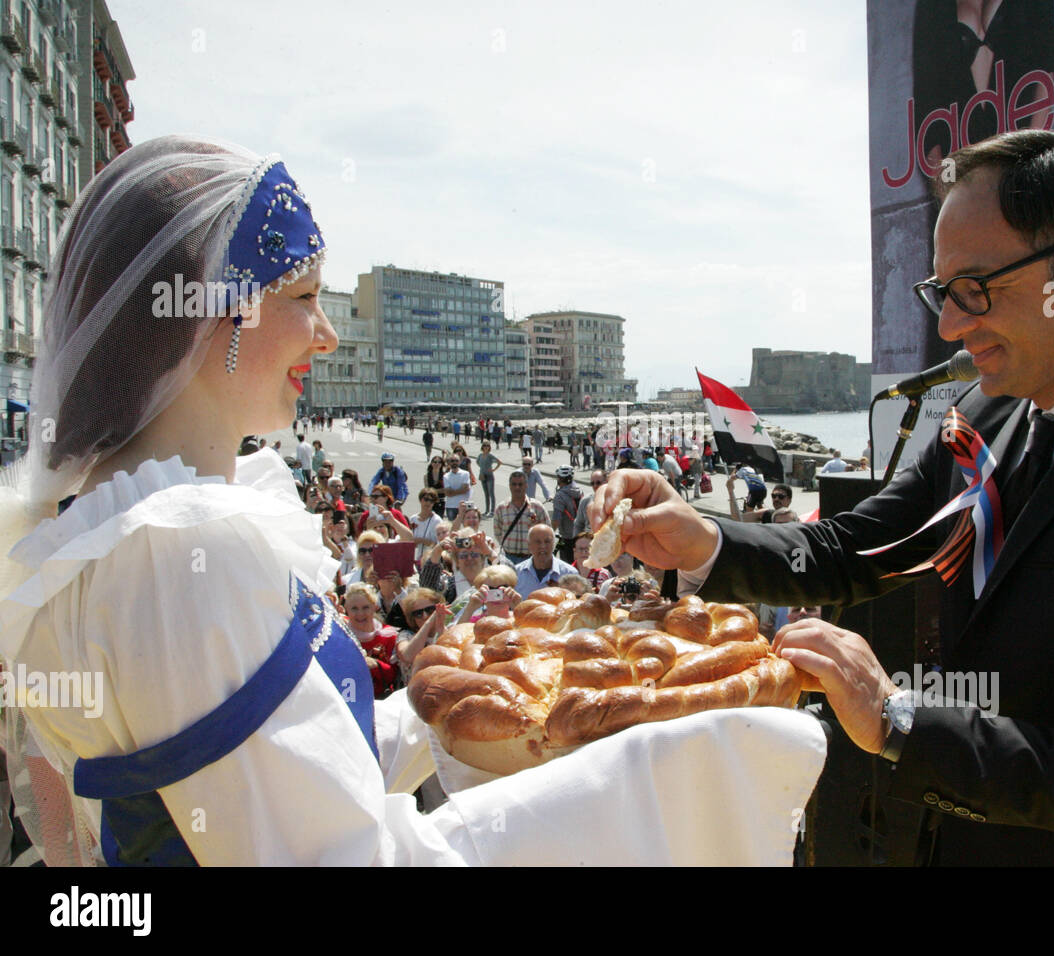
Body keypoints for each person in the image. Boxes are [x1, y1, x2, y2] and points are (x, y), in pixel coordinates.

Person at [0, 135, 823, 868]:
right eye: (302, 295)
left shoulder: (98, 539)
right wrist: (672, 766)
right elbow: (346, 856)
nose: (325, 333)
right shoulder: (178, 558)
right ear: (206, 313)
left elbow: (297, 770)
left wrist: (495, 693)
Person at [590, 130, 1054, 866]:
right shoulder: (985, 418)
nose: (949, 326)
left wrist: (899, 721)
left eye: (976, 288)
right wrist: (704, 540)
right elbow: (855, 548)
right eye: (940, 291)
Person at [493, 469, 550, 565]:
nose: (517, 487)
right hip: (508, 558)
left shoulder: (537, 507)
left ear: (526, 485)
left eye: (520, 484)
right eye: (514, 484)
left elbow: (548, 530)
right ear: (510, 486)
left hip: (531, 559)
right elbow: (497, 532)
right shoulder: (501, 508)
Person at [514, 524, 579, 599]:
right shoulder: (516, 573)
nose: (543, 546)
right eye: (537, 542)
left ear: (554, 543)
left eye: (547, 541)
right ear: (529, 545)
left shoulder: (570, 573)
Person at [551, 465, 583, 564]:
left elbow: (556, 519)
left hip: (567, 537)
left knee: (568, 567)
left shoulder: (560, 496)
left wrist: (550, 533)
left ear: (560, 479)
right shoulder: (578, 491)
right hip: (580, 535)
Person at [441, 453, 471, 521]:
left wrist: (452, 492)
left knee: (465, 529)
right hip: (451, 506)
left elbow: (465, 489)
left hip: (464, 506)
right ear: (449, 462)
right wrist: (461, 490)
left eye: (456, 460)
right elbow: (448, 493)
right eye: (452, 461)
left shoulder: (465, 473)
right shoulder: (446, 476)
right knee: (453, 529)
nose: (454, 462)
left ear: (459, 461)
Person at [476, 441, 502, 512]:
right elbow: (477, 462)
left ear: (489, 447)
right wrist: (482, 468)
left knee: (491, 493)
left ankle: (492, 510)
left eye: (487, 446)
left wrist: (493, 469)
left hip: (489, 475)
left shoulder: (490, 456)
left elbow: (499, 462)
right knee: (486, 494)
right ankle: (487, 510)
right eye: (485, 446)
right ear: (482, 447)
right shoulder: (480, 455)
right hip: (482, 475)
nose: (486, 447)